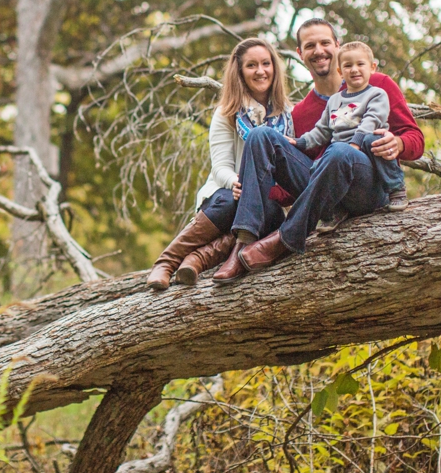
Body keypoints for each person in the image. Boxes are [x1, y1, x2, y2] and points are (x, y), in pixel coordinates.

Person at [212, 18, 424, 282]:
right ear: (300, 54)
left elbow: (416, 140)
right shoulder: (300, 113)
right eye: (310, 45)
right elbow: (298, 183)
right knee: (260, 135)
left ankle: (286, 237)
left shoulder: (377, 85)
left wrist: (399, 143)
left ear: (337, 46)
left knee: (339, 152)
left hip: (366, 189)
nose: (319, 50)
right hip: (326, 201)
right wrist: (252, 193)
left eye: (325, 42)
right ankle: (243, 242)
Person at [146, 38, 293, 290]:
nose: (260, 71)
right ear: (240, 72)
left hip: (266, 201)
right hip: (226, 193)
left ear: (274, 68)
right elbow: (220, 166)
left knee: (269, 213)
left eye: (266, 64)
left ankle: (195, 260)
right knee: (231, 200)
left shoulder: (287, 115)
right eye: (251, 65)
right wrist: (236, 183)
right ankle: (167, 262)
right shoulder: (227, 112)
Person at [290, 41, 407, 207]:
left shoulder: (377, 94)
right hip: (341, 152)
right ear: (340, 71)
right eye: (348, 65)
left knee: (374, 139)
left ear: (372, 67)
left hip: (366, 155)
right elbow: (322, 130)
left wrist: (356, 142)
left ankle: (396, 188)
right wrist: (300, 142)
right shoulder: (335, 100)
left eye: (360, 64)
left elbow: (372, 120)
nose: (354, 69)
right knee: (317, 166)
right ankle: (334, 208)